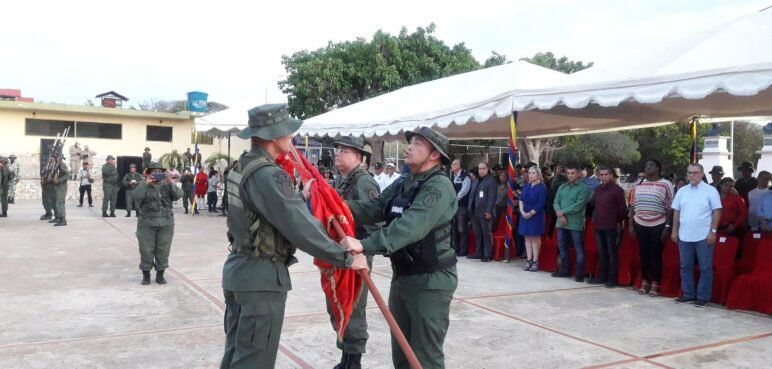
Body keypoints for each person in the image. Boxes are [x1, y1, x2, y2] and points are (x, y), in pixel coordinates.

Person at [220, 103, 367, 369]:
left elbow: (260, 213)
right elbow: (302, 228)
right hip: (261, 278)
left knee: (236, 354)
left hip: (240, 271)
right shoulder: (270, 174)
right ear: (274, 136)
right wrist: (344, 257)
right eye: (287, 132)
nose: (291, 137)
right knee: (254, 360)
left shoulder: (243, 165)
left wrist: (299, 197)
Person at [341, 126, 457, 369]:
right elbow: (375, 207)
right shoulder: (405, 181)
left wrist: (364, 244)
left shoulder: (439, 187)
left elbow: (410, 226)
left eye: (417, 144)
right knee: (402, 357)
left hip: (430, 282)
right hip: (403, 275)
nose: (409, 147)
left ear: (434, 155)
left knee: (424, 358)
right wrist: (337, 206)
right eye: (411, 142)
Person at [321, 135, 380, 369]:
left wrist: (358, 244)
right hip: (337, 255)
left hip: (356, 257)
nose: (337, 153)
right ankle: (345, 356)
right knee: (337, 305)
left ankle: (354, 361)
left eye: (343, 150)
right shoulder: (340, 181)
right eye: (337, 150)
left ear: (358, 157)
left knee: (353, 306)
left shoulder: (365, 183)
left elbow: (375, 221)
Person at [672, 163, 722, 307]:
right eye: (689, 172)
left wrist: (713, 231)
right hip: (684, 234)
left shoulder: (710, 191)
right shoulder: (682, 191)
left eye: (695, 172)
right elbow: (676, 211)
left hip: (703, 234)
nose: (691, 175)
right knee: (685, 266)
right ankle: (688, 294)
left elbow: (717, 211)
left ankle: (702, 296)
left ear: (702, 174)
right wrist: (674, 230)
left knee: (705, 267)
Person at [629, 159, 674, 296]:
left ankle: (655, 283)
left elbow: (670, 207)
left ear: (658, 168)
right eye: (646, 165)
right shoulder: (639, 183)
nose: (647, 168)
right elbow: (632, 204)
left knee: (655, 254)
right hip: (640, 222)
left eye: (651, 165)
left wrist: (667, 226)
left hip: (658, 223)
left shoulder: (666, 184)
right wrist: (631, 224)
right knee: (643, 254)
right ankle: (645, 281)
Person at [134, 162, 183, 285]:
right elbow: (135, 197)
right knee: (146, 249)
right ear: (149, 173)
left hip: (166, 222)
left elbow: (178, 195)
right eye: (153, 171)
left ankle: (160, 274)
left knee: (163, 249)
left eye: (159, 171)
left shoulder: (167, 185)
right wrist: (146, 184)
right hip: (147, 223)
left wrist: (170, 182)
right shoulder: (143, 184)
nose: (156, 173)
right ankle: (146, 274)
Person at [551, 163, 591, 282]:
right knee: (562, 247)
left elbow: (578, 206)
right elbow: (555, 201)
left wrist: (562, 212)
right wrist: (559, 211)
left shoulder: (584, 188)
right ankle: (565, 271)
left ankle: (579, 274)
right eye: (568, 173)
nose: (570, 175)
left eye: (573, 173)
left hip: (575, 223)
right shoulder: (562, 187)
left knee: (578, 248)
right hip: (561, 222)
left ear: (578, 174)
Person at [588, 167, 627, 287]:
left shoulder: (618, 190)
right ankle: (602, 277)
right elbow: (593, 204)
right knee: (602, 252)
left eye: (606, 174)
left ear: (611, 175)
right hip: (598, 225)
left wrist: (617, 221)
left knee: (612, 253)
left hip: (611, 226)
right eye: (601, 175)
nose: (603, 177)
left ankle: (612, 279)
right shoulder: (598, 189)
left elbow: (623, 209)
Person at [519, 166, 548, 271]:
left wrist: (531, 213)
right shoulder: (526, 186)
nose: (531, 175)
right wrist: (522, 211)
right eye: (529, 173)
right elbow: (521, 199)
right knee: (527, 238)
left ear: (538, 174)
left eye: (533, 173)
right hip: (525, 214)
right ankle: (529, 260)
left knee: (535, 239)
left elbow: (541, 203)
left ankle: (535, 261)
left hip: (536, 216)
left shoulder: (542, 187)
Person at [468, 161, 498, 262]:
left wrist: (489, 211)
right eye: (479, 168)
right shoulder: (475, 181)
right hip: (475, 212)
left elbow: (492, 197)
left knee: (486, 234)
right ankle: (479, 252)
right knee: (477, 234)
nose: (481, 170)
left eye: (483, 168)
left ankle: (487, 254)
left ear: (487, 169)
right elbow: (471, 196)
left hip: (485, 212)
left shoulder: (491, 181)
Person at [450, 159, 471, 257]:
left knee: (462, 228)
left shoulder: (465, 177)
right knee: (454, 227)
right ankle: (455, 248)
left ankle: (463, 249)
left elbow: (464, 191)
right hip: (453, 206)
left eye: (454, 164)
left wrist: (454, 199)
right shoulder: (452, 176)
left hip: (462, 206)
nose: (452, 165)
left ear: (459, 166)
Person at [546, 163, 568, 237]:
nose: (558, 170)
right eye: (556, 168)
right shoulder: (552, 179)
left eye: (560, 168)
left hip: (562, 208)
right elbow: (550, 190)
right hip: (552, 207)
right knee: (552, 225)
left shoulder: (566, 180)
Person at [51, 154, 69, 226]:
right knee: (58, 202)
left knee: (60, 202)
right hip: (59, 186)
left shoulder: (62, 165)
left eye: (56, 158)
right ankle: (59, 218)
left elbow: (68, 174)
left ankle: (63, 220)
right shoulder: (57, 165)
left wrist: (59, 180)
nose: (54, 159)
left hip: (62, 186)